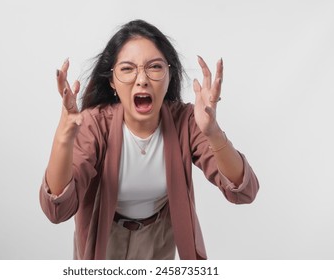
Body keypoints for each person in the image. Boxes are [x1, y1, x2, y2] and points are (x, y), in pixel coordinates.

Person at [39, 19, 259, 260]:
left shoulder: (185, 121)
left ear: (168, 75)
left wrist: (213, 132)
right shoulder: (95, 123)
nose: (141, 79)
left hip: (159, 235)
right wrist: (63, 139)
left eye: (154, 67)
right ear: (112, 80)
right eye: (127, 69)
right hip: (104, 234)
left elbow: (243, 191)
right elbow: (57, 209)